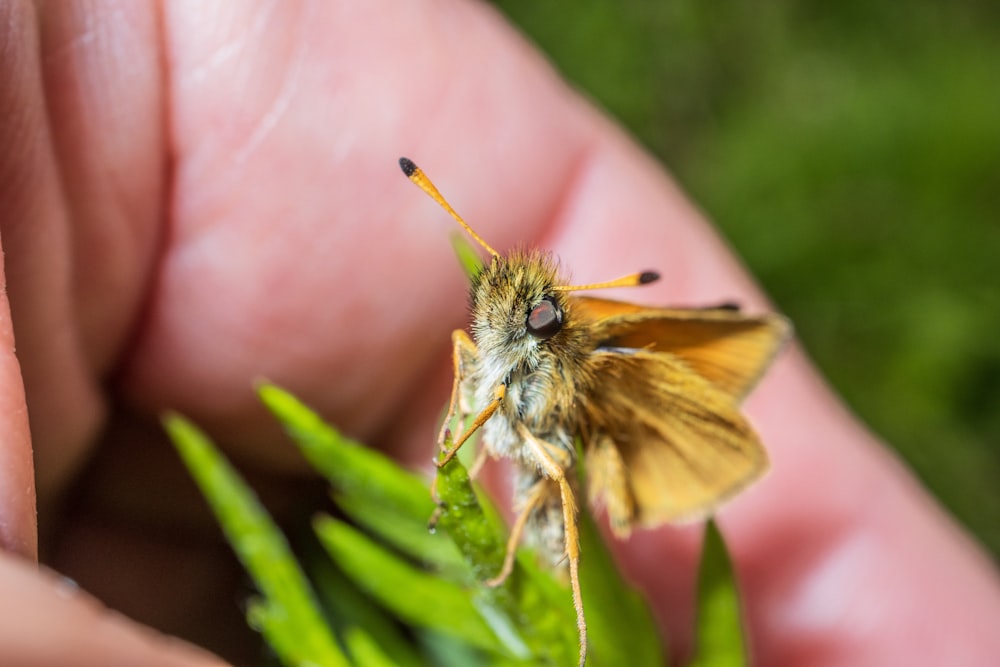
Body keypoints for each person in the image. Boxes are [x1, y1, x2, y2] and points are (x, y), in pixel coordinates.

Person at [1, 2, 998, 665]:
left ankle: (556, 604)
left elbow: (542, 422)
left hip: (564, 471)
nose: (492, 315)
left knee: (548, 471)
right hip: (505, 453)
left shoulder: (564, 346)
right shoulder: (488, 335)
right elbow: (469, 357)